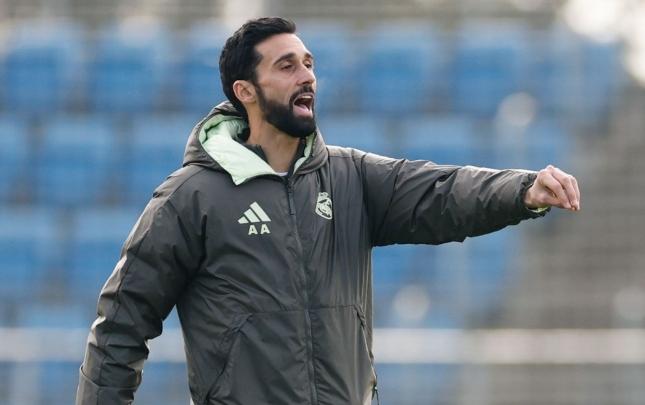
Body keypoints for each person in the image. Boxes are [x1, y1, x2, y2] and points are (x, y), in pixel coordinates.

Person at [76, 17, 581, 405]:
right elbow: (121, 324)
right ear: (245, 92)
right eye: (287, 66)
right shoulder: (191, 197)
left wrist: (522, 190)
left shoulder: (350, 176)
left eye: (309, 63)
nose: (308, 77)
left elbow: (441, 192)